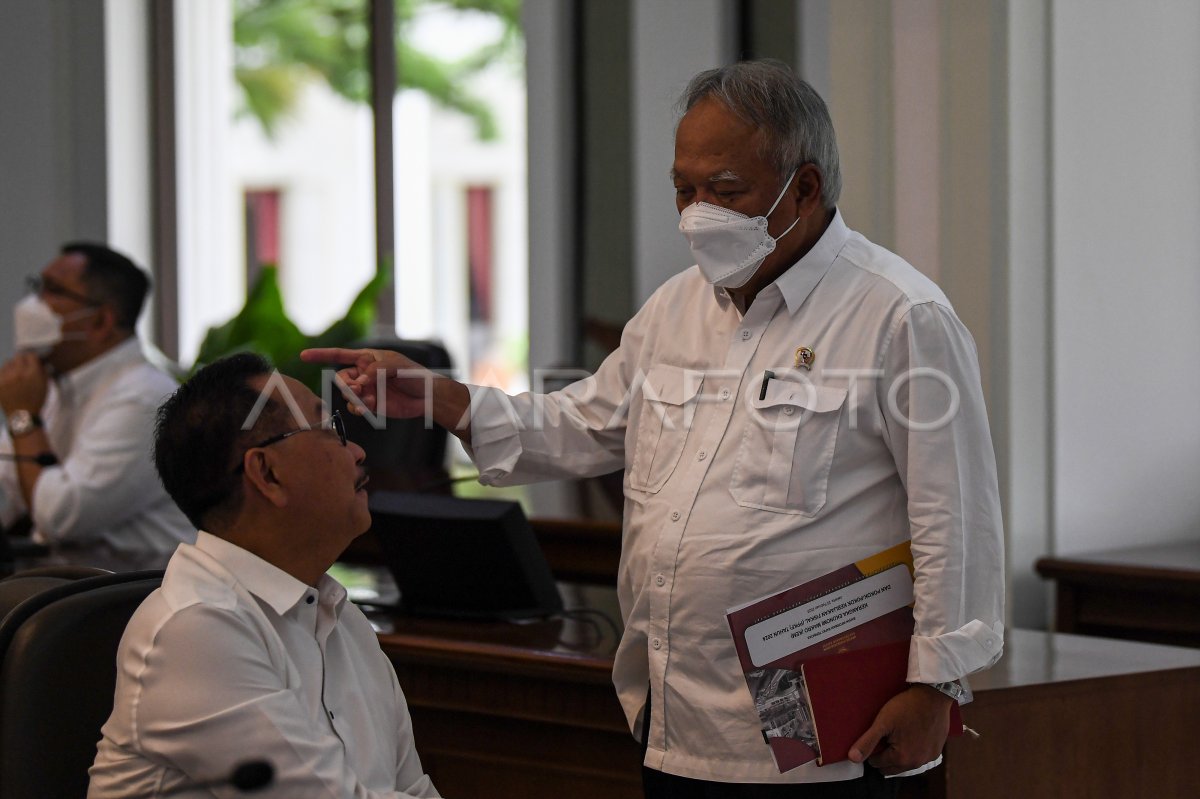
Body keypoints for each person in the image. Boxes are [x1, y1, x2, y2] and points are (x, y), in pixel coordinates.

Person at [304, 59, 1004, 797]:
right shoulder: (675, 309)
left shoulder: (900, 315)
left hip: (838, 739)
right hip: (679, 727)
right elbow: (580, 426)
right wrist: (444, 399)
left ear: (805, 188)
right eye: (684, 188)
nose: (699, 211)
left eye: (726, 190)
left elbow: (955, 517)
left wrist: (937, 684)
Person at [88, 352, 441, 798]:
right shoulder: (195, 629)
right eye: (330, 430)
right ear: (267, 473)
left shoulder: (337, 614)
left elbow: (413, 788)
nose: (357, 450)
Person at [0, 242, 193, 558]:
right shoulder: (54, 385)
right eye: (37, 286)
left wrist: (22, 415)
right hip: (69, 593)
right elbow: (12, 487)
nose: (33, 304)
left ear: (101, 321)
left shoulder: (144, 397)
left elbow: (59, 516)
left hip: (129, 598)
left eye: (52, 290)